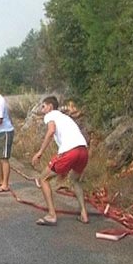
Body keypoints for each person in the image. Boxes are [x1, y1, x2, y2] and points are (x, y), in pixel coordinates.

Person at [31, 96, 89, 226]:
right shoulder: (66, 117)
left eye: (43, 106)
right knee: (75, 180)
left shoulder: (50, 115)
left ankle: (51, 215)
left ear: (50, 107)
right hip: (83, 150)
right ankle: (84, 214)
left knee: (43, 179)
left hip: (70, 151)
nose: (42, 109)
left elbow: (51, 131)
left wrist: (40, 152)